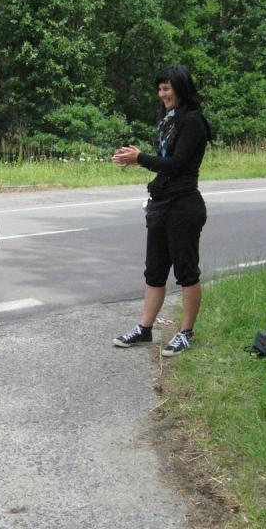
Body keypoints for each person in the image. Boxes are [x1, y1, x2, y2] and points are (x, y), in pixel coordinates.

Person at [111, 64, 211, 357]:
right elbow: (165, 162)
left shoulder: (193, 122)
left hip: (184, 206)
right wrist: (138, 159)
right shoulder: (169, 120)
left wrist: (140, 158)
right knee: (154, 271)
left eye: (166, 88)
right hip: (161, 204)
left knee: (186, 272)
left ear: (180, 88)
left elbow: (178, 164)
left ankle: (186, 332)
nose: (162, 94)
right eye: (159, 89)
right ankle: (144, 329)